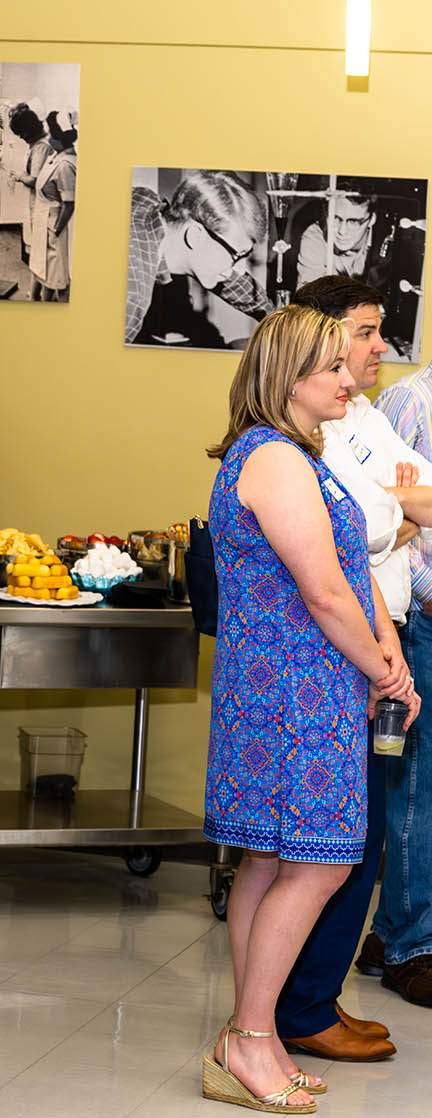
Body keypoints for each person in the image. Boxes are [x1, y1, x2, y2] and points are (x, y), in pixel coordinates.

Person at [201, 305, 417, 1114]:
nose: (346, 377)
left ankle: (244, 1036)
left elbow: (343, 582)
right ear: (289, 378)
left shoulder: (291, 452)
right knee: (320, 859)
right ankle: (255, 1037)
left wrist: (381, 650)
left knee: (265, 860)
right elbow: (325, 592)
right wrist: (388, 675)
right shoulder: (276, 458)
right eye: (330, 366)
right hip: (295, 693)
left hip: (293, 687)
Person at [275, 276, 432, 1059]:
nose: (378, 348)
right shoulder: (305, 432)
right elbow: (358, 539)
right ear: (321, 337)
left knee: (358, 835)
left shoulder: (362, 413)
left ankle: (313, 997)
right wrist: (399, 514)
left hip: (381, 631)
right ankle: (301, 1009)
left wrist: (398, 514)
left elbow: (406, 510)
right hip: (344, 652)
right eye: (366, 332)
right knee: (342, 839)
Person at [366, 325, 432, 1003]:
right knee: (417, 786)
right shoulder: (410, 403)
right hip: (421, 622)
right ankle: (414, 945)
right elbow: (385, 521)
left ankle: (389, 931)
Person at [126, 170, 274, 346]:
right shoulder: (133, 294)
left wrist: (277, 316)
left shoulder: (147, 202)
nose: (241, 270)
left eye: (245, 255)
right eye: (236, 255)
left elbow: (232, 280)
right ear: (196, 235)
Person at [28, 111, 77, 302]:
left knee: (57, 276)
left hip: (55, 224)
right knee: (44, 271)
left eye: (51, 134)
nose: (48, 137)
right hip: (45, 219)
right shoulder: (56, 157)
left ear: (59, 139)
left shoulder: (66, 165)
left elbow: (69, 204)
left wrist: (56, 229)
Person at [8, 102, 51, 270]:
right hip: (33, 200)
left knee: (37, 242)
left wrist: (19, 176)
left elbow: (34, 180)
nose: (20, 137)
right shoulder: (36, 145)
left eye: (21, 134)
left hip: (39, 201)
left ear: (27, 131)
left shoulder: (41, 148)